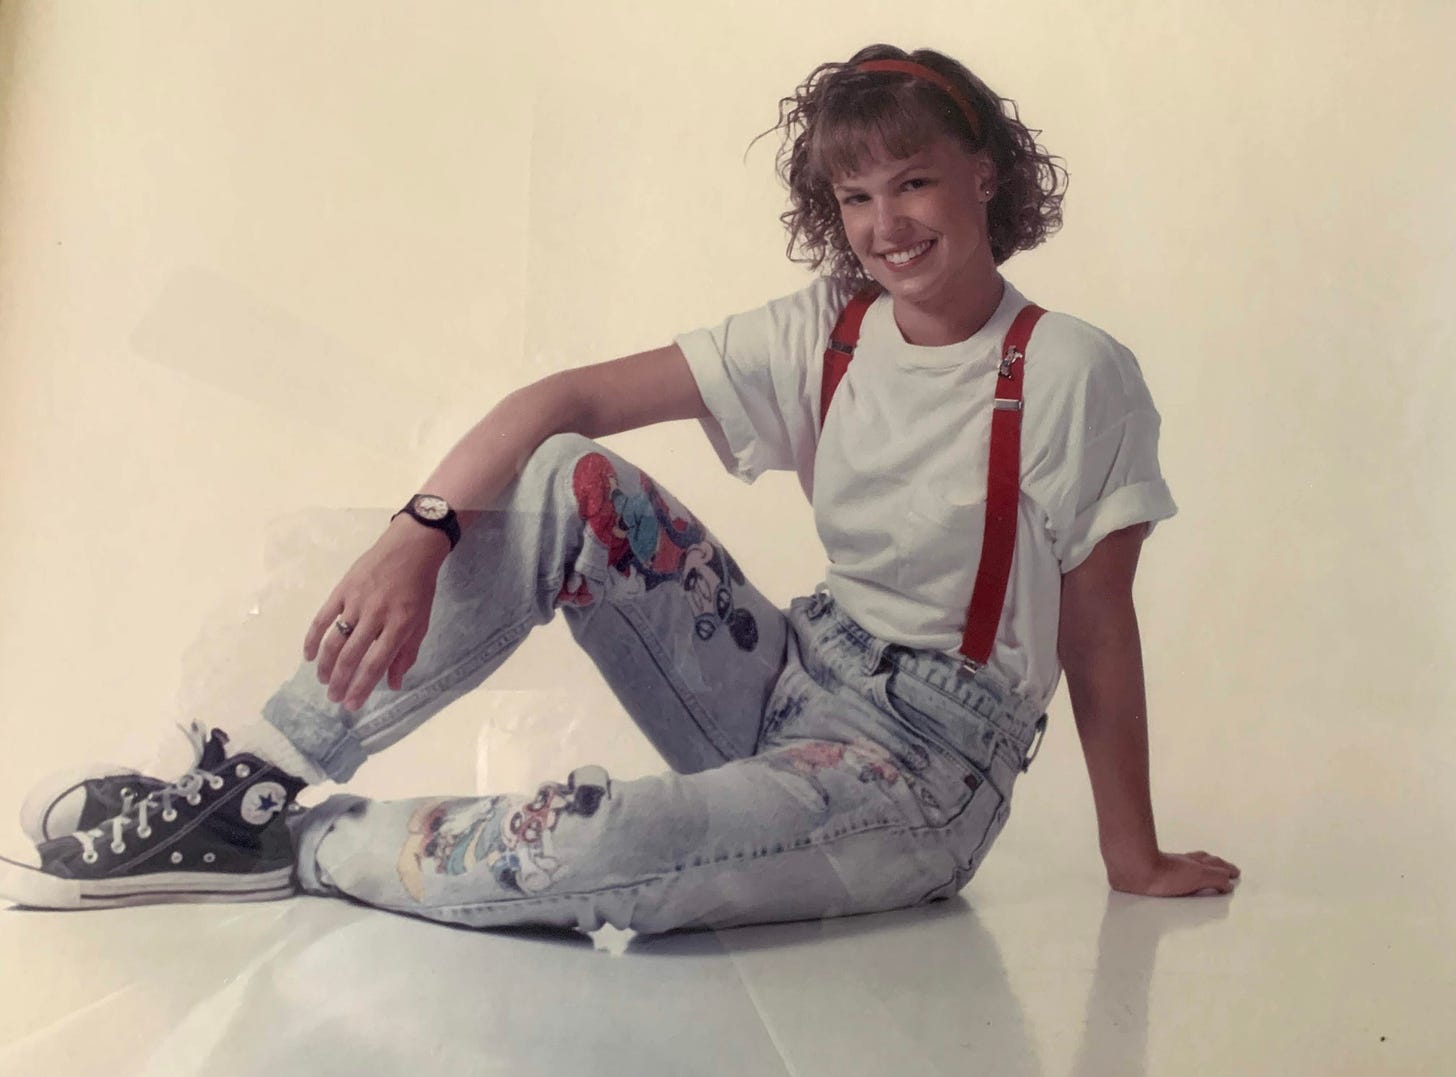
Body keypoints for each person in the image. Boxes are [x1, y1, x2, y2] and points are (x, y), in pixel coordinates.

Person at [0, 44, 1239, 929]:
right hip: (788, 674)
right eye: (855, 197)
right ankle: (246, 783)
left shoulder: (1071, 372)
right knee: (563, 478)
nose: (885, 225)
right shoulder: (830, 329)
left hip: (918, 770)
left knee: (596, 842)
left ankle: (301, 846)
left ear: (984, 175)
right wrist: (417, 529)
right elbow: (563, 406)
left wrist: (1128, 855)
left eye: (912, 181)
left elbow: (1096, 620)